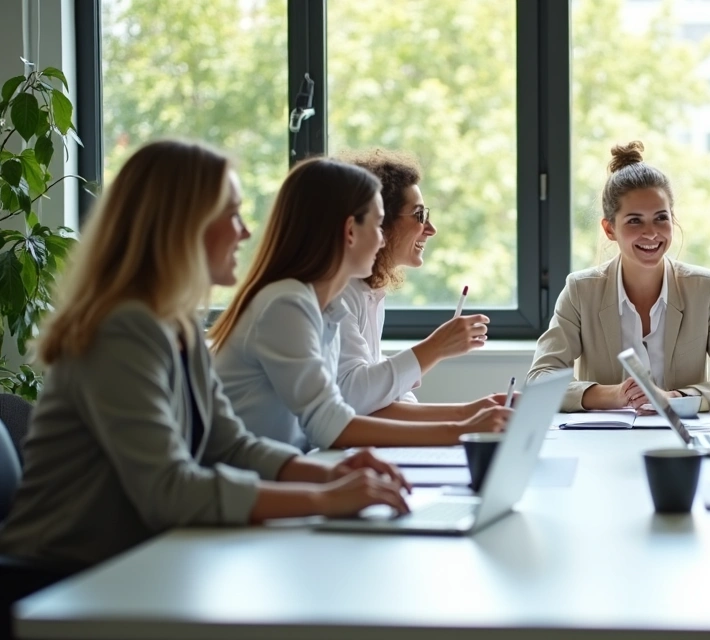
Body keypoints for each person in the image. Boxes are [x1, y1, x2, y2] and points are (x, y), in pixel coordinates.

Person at [0, 140, 410, 567]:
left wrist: (332, 474)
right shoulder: (121, 330)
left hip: (132, 563)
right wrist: (322, 497)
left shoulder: (176, 326)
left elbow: (230, 445)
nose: (246, 231)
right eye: (232, 214)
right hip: (58, 578)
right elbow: (170, 490)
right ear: (184, 224)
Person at [211, 157, 510, 452]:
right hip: (255, 478)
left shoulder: (324, 306)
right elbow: (335, 419)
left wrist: (468, 417)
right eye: (379, 225)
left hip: (278, 468)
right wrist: (462, 429)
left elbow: (352, 408)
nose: (381, 241)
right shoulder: (288, 304)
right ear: (350, 231)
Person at [528, 141, 710, 412]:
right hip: (606, 439)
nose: (651, 233)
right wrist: (615, 395)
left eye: (661, 218)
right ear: (609, 229)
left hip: (683, 438)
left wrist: (674, 398)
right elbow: (539, 379)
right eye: (634, 221)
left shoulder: (705, 288)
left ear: (672, 219)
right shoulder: (580, 291)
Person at [334, 149, 510, 420]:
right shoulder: (340, 293)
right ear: (380, 222)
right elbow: (354, 396)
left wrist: (475, 413)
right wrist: (436, 346)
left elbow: (382, 397)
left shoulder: (370, 291)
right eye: (418, 215)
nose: (431, 228)